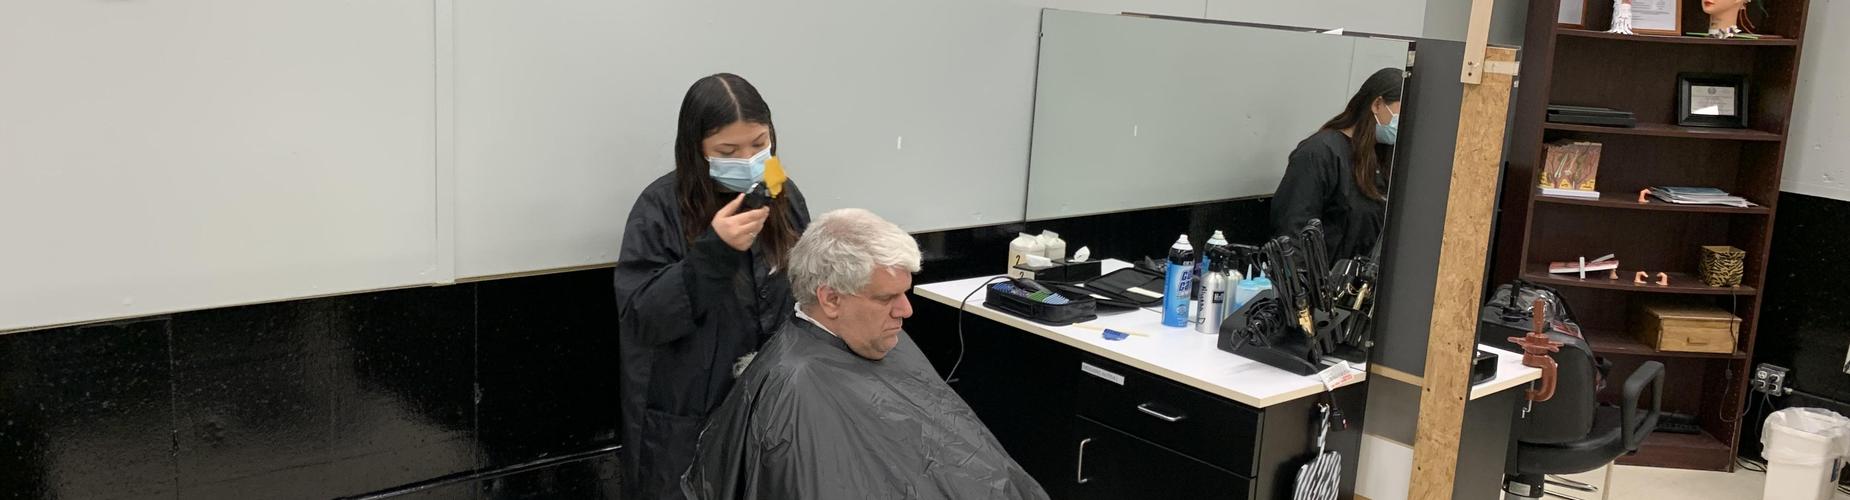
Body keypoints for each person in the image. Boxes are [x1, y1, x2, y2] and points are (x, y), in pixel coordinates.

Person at [682, 209, 1049, 500]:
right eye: (887, 297)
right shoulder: (793, 393)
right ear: (831, 299)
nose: (906, 311)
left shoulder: (876, 337)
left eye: (905, 293)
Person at [613, 73, 810, 500]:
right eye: (728, 151)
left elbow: (798, 292)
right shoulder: (659, 207)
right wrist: (715, 251)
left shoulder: (780, 191)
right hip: (685, 422)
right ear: (696, 148)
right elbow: (644, 316)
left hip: (768, 410)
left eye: (759, 143)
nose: (749, 159)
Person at [1271, 67, 1404, 261]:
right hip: (1323, 275)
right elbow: (1293, 231)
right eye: (1402, 113)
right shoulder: (1320, 153)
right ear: (1377, 104)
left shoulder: (1382, 157)